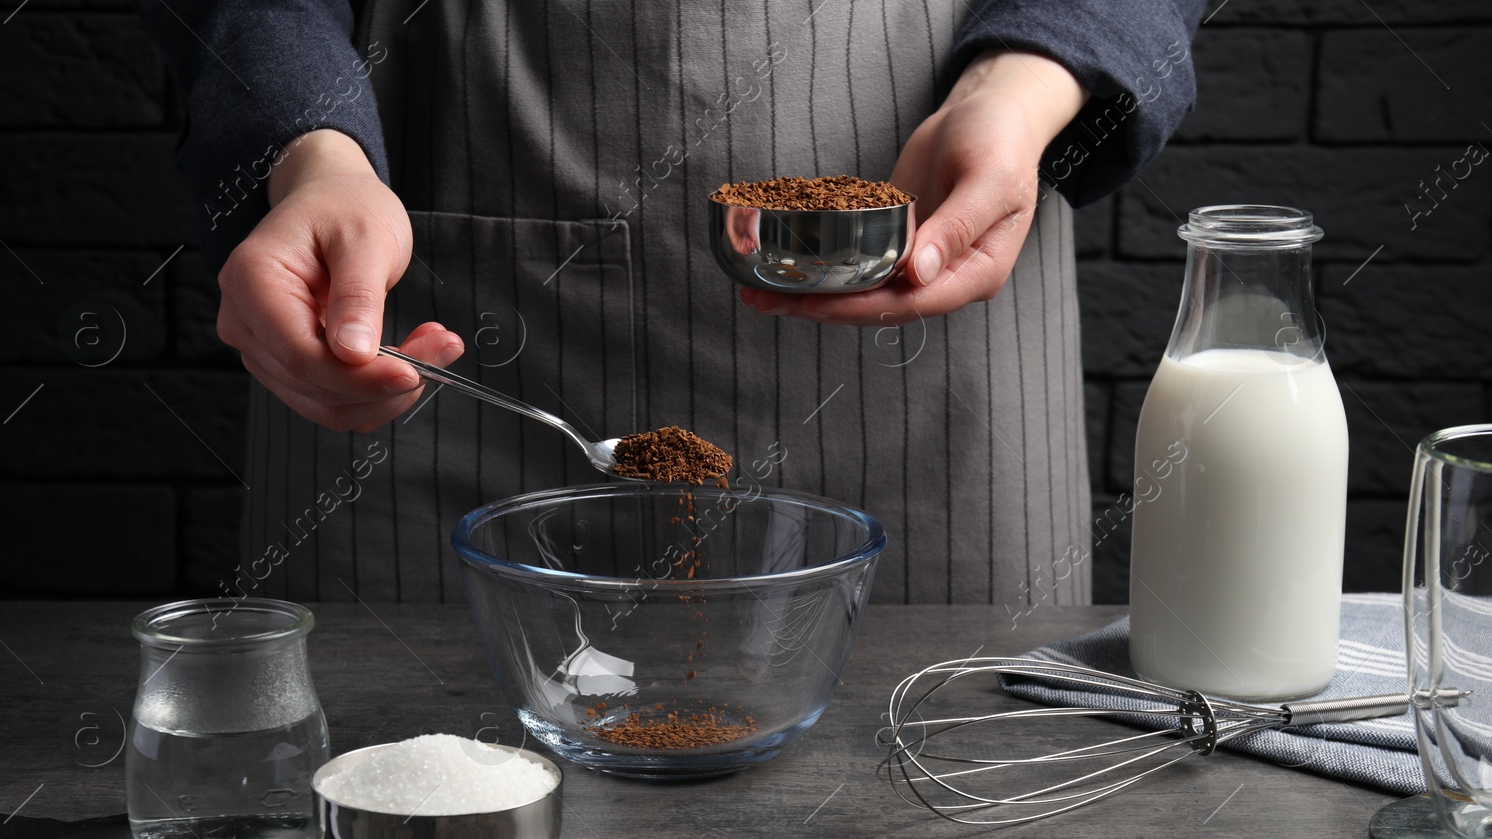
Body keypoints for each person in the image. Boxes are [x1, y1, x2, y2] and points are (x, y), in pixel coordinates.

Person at [138, 0, 1207, 604]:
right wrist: (307, 152)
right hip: (431, 253)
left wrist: (1018, 88)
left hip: (936, 267)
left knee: (939, 806)